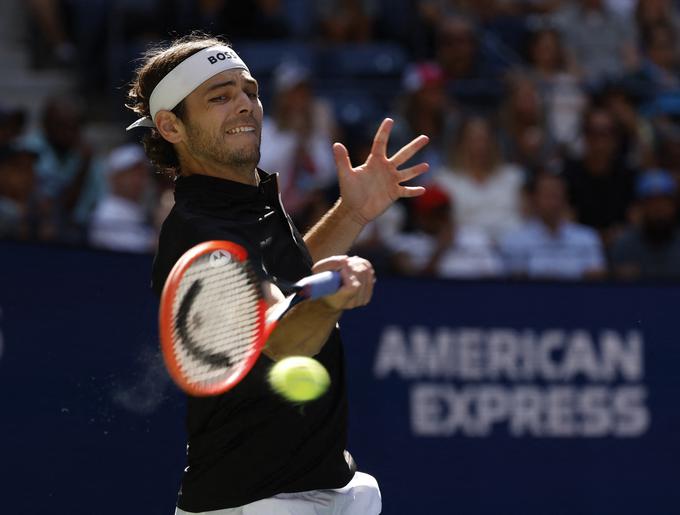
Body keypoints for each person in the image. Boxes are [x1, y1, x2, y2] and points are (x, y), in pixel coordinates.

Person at [126, 34, 429, 514]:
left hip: (318, 487)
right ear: (170, 126)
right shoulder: (198, 230)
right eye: (220, 97)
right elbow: (281, 340)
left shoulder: (250, 199)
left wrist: (351, 213)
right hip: (255, 502)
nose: (245, 105)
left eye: (249, 91)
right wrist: (332, 300)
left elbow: (286, 286)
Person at [500, 172, 606, 279]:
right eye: (547, 195)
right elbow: (515, 284)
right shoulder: (515, 240)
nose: (553, 202)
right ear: (534, 199)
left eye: (557, 195)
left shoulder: (587, 238)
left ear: (565, 199)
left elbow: (595, 279)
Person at [389, 185, 503, 278]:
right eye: (431, 214)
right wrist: (440, 250)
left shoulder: (476, 237)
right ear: (419, 215)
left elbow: (496, 277)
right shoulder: (405, 243)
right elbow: (414, 285)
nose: (438, 219)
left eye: (441, 213)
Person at [610, 169, 680, 279]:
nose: (659, 209)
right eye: (652, 202)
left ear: (674, 206)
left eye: (664, 202)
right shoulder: (624, 245)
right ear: (641, 207)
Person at [88, 143, 156, 253]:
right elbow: (130, 251)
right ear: (114, 177)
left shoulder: (141, 210)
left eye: (142, 174)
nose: (138, 180)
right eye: (131, 174)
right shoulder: (106, 212)